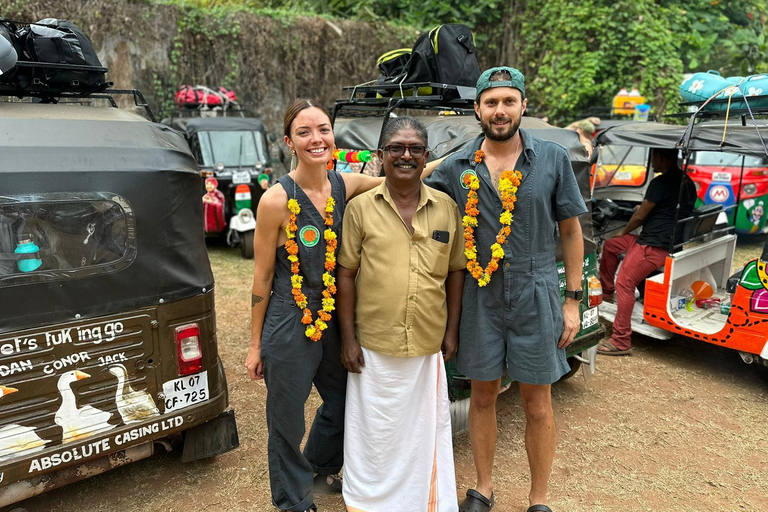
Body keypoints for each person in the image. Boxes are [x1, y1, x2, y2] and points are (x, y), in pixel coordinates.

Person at [423, 67, 587, 512]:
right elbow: (408, 188)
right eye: (491, 102)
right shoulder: (457, 168)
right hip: (480, 294)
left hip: (536, 291)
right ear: (477, 109)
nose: (500, 111)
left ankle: (539, 498)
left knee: (538, 402)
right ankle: (484, 487)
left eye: (508, 101)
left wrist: (573, 301)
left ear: (523, 106)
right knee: (482, 395)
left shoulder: (552, 159)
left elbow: (572, 233)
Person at [245, 98, 382, 512]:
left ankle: (318, 466)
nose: (316, 138)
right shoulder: (274, 200)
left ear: (333, 136)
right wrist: (255, 345)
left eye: (322, 129)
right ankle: (292, 501)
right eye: (304, 132)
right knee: (286, 417)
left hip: (336, 316)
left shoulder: (345, 184)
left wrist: (456, 158)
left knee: (345, 403)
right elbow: (262, 278)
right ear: (290, 142)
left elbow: (399, 176)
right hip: (289, 316)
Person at [336, 117, 465, 512]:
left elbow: (457, 270)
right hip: (372, 344)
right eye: (396, 147)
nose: (405, 155)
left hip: (427, 345)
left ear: (426, 156)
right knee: (374, 432)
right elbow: (346, 272)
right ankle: (370, 499)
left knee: (421, 431)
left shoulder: (446, 208)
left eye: (414, 149)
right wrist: (348, 339)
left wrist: (452, 331)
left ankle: (418, 499)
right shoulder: (359, 209)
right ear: (380, 156)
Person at [598, 147, 697, 355]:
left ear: (660, 157)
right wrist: (644, 210)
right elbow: (668, 209)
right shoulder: (687, 182)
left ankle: (620, 340)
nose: (651, 162)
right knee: (611, 246)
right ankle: (606, 293)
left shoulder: (659, 183)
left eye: (652, 157)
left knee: (624, 284)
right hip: (666, 241)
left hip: (652, 246)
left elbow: (640, 217)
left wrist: (624, 230)